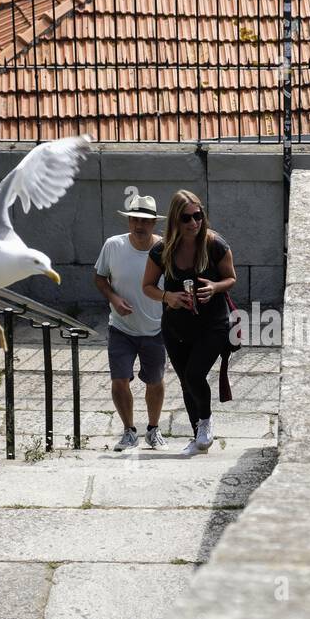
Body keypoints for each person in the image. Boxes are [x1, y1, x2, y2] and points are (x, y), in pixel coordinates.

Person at [141, 191, 238, 456]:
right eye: (186, 218)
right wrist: (167, 296)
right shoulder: (162, 250)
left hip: (213, 325)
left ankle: (205, 422)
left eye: (198, 216)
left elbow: (231, 278)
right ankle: (199, 439)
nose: (194, 223)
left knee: (195, 375)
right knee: (186, 382)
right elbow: (147, 286)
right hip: (176, 328)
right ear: (175, 220)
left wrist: (215, 287)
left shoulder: (215, 244)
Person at [94, 193, 167, 450]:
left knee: (155, 381)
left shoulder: (165, 250)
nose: (139, 225)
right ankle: (128, 430)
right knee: (119, 380)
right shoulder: (113, 245)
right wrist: (114, 298)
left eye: (145, 221)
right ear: (128, 221)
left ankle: (153, 429)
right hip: (121, 327)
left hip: (155, 328)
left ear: (154, 223)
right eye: (135, 219)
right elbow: (100, 277)